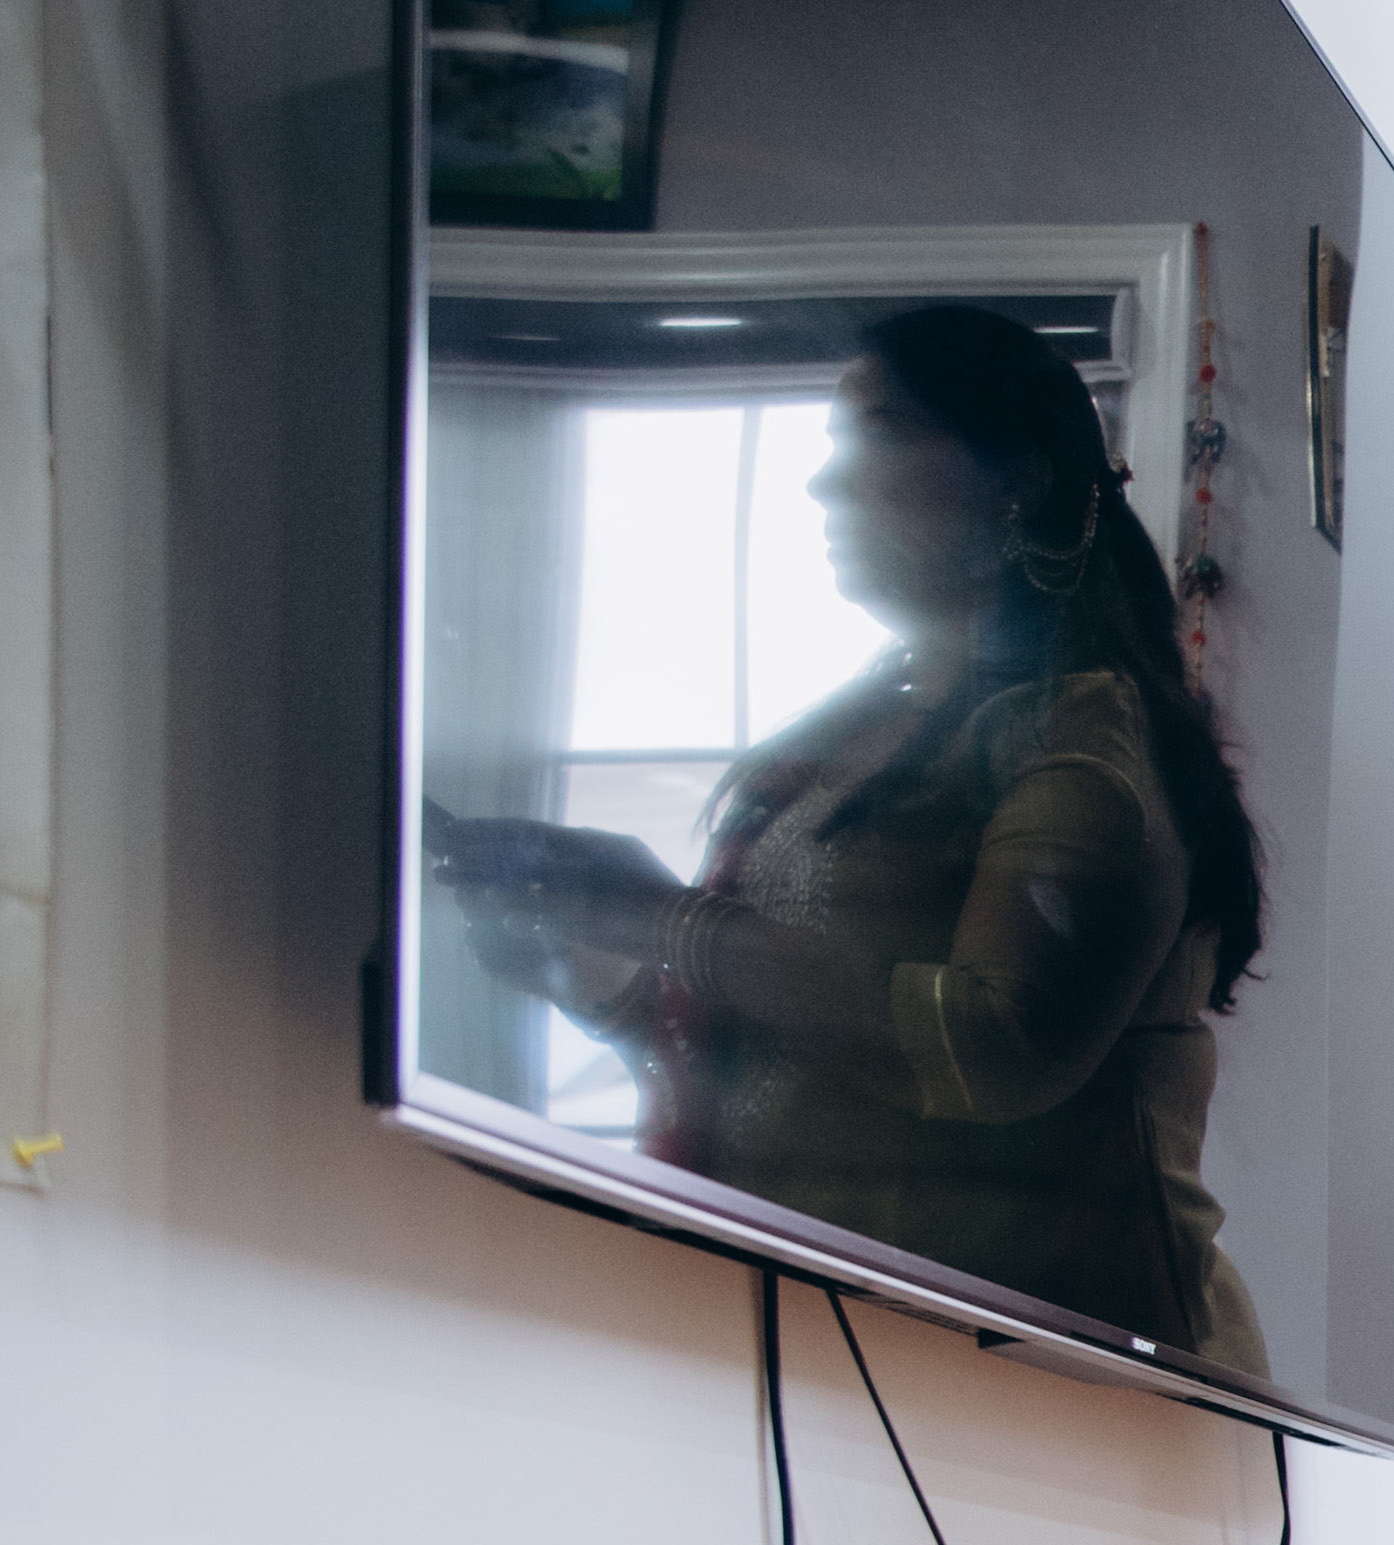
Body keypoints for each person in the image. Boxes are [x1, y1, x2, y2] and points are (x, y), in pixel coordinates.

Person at [431, 305, 1270, 1366]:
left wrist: (658, 915)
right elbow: (792, 1059)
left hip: (1043, 1381)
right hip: (827, 1355)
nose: (823, 484)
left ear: (1016, 478)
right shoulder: (865, 723)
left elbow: (995, 1046)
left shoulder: (1086, 733)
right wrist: (593, 966)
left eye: (875, 436)